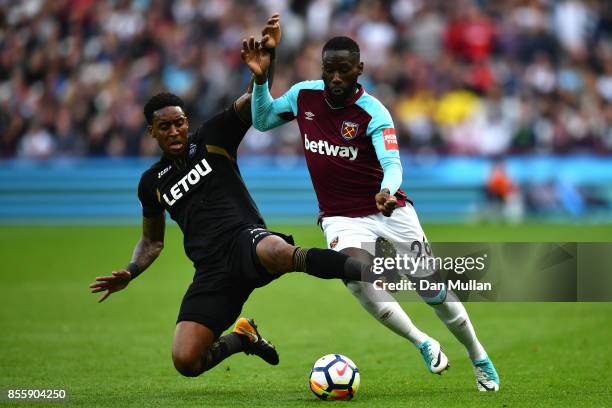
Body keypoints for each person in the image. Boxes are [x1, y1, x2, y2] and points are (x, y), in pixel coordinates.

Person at [88, 17, 374, 379]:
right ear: (152, 132)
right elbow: (151, 242)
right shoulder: (151, 183)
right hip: (211, 271)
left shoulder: (212, 137)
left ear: (186, 122)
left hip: (245, 239)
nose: (175, 131)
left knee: (278, 252)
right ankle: (243, 337)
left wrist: (262, 72)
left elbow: (252, 108)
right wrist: (130, 272)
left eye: (179, 122)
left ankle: (366, 269)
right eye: (165, 126)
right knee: (186, 361)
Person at [242, 35, 500, 392]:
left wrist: (387, 191)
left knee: (432, 289)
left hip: (390, 210)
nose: (335, 78)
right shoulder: (304, 96)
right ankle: (422, 341)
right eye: (328, 69)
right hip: (340, 216)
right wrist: (259, 80)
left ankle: (478, 355)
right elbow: (263, 119)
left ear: (359, 70)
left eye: (343, 70)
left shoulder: (373, 112)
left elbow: (392, 164)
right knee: (355, 277)